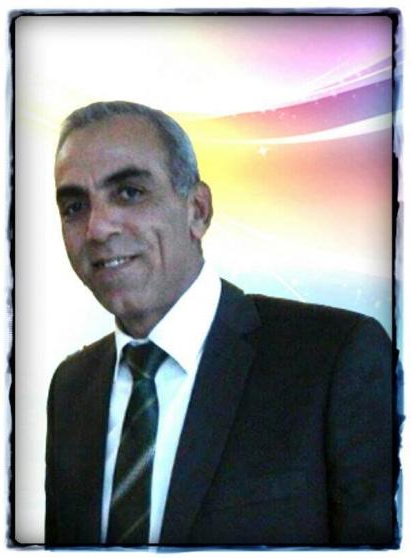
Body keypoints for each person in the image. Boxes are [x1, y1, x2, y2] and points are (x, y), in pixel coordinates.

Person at [45, 101, 397, 548]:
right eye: (75, 206)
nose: (96, 228)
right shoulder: (71, 388)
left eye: (129, 193)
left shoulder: (334, 358)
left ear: (197, 210)